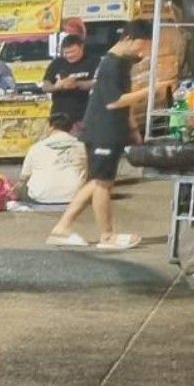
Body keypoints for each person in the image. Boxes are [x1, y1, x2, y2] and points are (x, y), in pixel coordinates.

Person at [47, 20, 151, 251]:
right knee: (102, 184)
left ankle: (62, 228)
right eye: (143, 45)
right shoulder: (111, 64)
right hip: (103, 131)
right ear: (129, 39)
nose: (143, 51)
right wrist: (150, 90)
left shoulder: (121, 62)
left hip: (107, 130)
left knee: (98, 182)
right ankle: (106, 235)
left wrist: (134, 130)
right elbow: (115, 102)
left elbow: (124, 103)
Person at [21, 112, 91, 205]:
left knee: (25, 186)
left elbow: (24, 176)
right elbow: (89, 172)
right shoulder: (81, 146)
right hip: (75, 196)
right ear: (70, 128)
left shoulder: (37, 147)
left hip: (41, 196)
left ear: (51, 127)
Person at [43, 33, 98, 131]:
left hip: (83, 115)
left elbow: (97, 82)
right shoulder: (57, 63)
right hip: (59, 116)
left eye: (72, 51)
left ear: (81, 47)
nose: (69, 55)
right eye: (66, 52)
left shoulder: (93, 62)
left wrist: (76, 84)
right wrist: (57, 86)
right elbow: (45, 86)